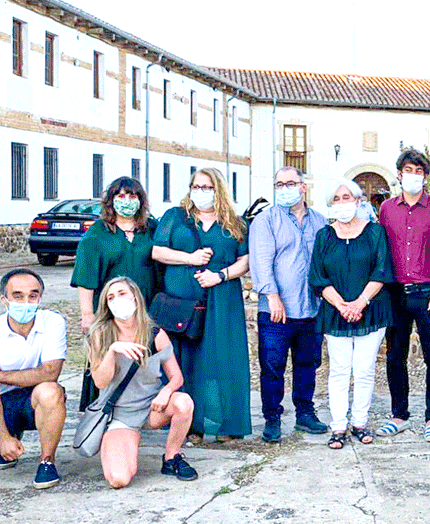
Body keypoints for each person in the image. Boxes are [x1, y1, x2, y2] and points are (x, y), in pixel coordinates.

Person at [152, 168, 251, 441]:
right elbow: (157, 251)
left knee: (222, 360)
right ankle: (190, 425)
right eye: (196, 186)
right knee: (185, 360)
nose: (201, 192)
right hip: (182, 302)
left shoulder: (236, 223)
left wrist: (220, 275)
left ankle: (226, 424)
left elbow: (245, 260)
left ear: (218, 190)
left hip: (223, 299)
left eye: (207, 187)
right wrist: (190, 259)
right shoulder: (176, 217)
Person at [0, 269, 67, 489]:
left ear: (40, 298)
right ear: (4, 300)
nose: (26, 302)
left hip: (36, 399)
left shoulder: (53, 322)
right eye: (17, 296)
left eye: (33, 296)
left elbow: (50, 373)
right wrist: (3, 438)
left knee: (51, 391)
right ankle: (8, 442)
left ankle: (47, 461)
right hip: (3, 401)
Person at [86, 277, 198, 487]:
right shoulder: (101, 334)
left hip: (151, 408)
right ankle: (120, 442)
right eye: (110, 297)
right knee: (119, 479)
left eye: (122, 294)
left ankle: (171, 457)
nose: (117, 300)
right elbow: (100, 382)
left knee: (184, 402)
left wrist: (166, 391)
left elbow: (177, 376)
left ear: (135, 298)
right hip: (120, 414)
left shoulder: (155, 334)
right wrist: (112, 351)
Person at [309, 180, 394, 449]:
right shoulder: (324, 236)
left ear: (358, 201)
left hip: (371, 309)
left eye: (348, 197)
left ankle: (359, 422)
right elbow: (318, 277)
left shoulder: (375, 233)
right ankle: (338, 427)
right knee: (339, 371)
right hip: (336, 312)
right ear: (331, 204)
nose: (343, 202)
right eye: (337, 198)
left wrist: (359, 303)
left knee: (365, 370)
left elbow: (381, 270)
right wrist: (342, 306)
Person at [248, 166, 330, 443]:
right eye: (279, 184)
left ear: (303, 187)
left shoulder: (320, 221)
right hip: (276, 309)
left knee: (308, 363)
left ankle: (305, 413)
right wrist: (272, 296)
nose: (284, 188)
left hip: (311, 307)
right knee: (272, 366)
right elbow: (260, 260)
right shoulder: (265, 221)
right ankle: (272, 418)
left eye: (290, 183)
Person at [71, 176, 160, 410]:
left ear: (141, 200)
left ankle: (146, 408)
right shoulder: (97, 235)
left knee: (145, 356)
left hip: (146, 308)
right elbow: (85, 277)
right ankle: (102, 408)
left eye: (132, 196)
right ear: (110, 201)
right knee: (109, 354)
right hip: (111, 309)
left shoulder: (151, 229)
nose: (127, 201)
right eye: (120, 196)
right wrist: (87, 315)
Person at [378, 149, 430, 442]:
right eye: (408, 170)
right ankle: (399, 414)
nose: (413, 176)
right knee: (395, 356)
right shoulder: (387, 209)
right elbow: (381, 250)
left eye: (418, 171)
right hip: (396, 293)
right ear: (399, 173)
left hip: (429, 291)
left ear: (426, 176)